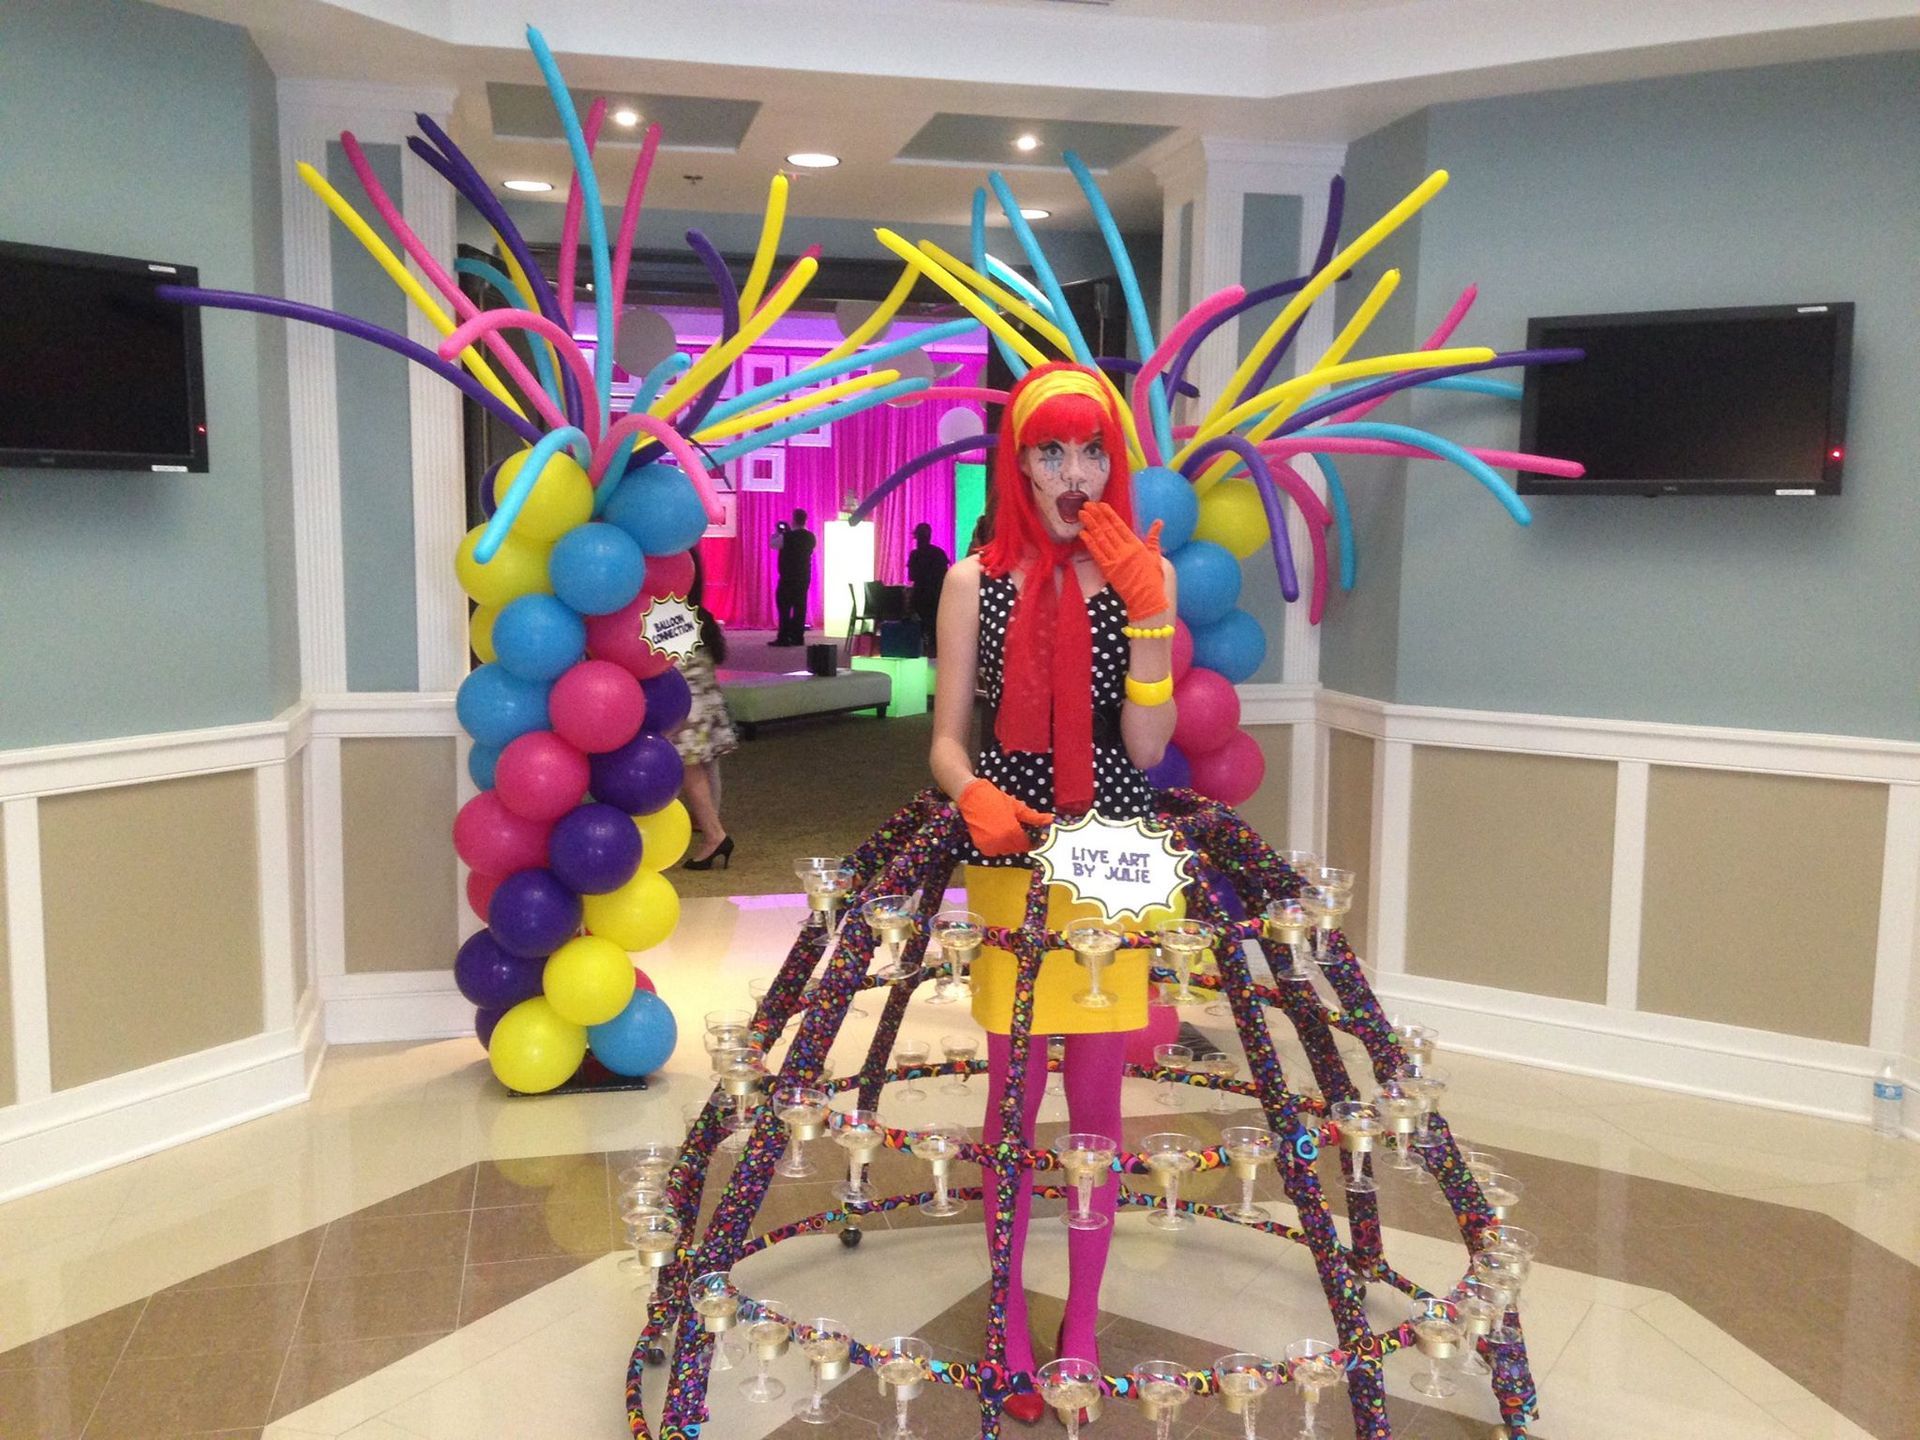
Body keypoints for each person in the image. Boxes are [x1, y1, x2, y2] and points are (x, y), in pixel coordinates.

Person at [927, 362, 1178, 1422]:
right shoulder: (970, 581)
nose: (1072, 474)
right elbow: (945, 737)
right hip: (1008, 851)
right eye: (1049, 451)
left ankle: (1078, 1323)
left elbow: (1150, 747)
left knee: (1097, 1110)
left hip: (1113, 854)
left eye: (1090, 452)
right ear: (1017, 459)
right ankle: (1006, 1329)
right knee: (1010, 1100)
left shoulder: (1136, 574)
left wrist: (1155, 619)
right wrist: (970, 791)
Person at [676, 550, 741, 870]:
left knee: (690, 767)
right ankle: (711, 827)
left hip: (688, 705)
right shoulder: (697, 615)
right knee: (704, 764)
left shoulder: (671, 619)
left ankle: (713, 833)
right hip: (705, 702)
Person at [769, 508, 815, 646]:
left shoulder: (786, 536)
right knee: (800, 608)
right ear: (805, 520)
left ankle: (783, 637)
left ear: (793, 519)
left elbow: (773, 544)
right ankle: (798, 637)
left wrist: (779, 532)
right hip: (804, 577)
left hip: (788, 577)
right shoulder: (811, 537)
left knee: (784, 607)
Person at [905, 520, 950, 655]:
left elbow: (911, 577)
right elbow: (944, 574)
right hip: (936, 595)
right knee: (934, 626)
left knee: (919, 625)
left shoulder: (915, 555)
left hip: (920, 596)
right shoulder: (939, 553)